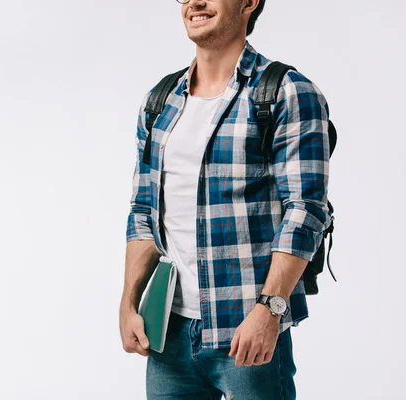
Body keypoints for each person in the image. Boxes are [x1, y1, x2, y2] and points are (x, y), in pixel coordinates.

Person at [118, 0, 333, 398]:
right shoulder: (161, 101)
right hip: (168, 330)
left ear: (249, 3)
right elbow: (144, 212)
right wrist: (129, 302)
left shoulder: (286, 92)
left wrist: (269, 311)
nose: (195, 3)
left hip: (247, 325)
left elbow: (305, 212)